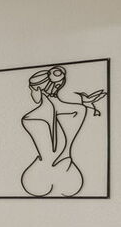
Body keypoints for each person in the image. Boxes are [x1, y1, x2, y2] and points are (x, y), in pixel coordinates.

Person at [19, 66, 107, 197]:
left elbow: (49, 153)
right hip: (70, 174)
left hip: (37, 176)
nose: (32, 93)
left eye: (31, 90)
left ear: (37, 89)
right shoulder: (79, 111)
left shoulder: (29, 119)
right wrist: (83, 100)